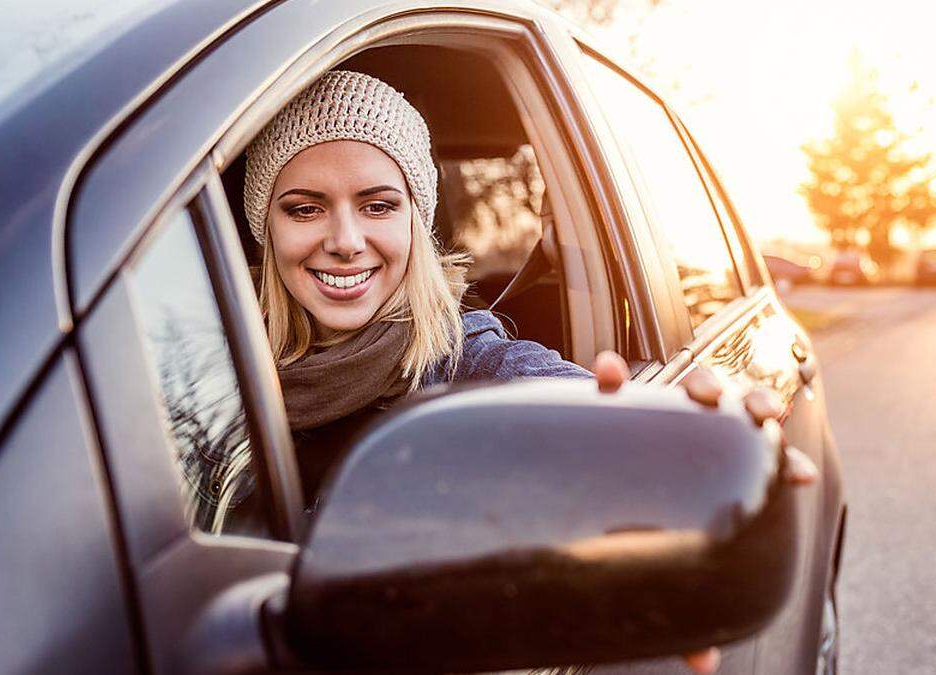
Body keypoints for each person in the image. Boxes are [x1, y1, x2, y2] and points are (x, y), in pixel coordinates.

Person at [242, 69, 815, 674]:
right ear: (265, 228)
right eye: (305, 209)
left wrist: (696, 453)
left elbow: (598, 445)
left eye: (378, 205)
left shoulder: (479, 365)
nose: (346, 240)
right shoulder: (204, 372)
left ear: (417, 218)